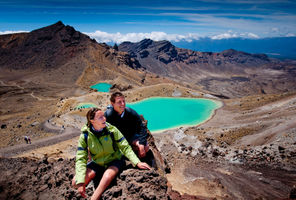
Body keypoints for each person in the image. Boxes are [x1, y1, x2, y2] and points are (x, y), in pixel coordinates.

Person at [72, 107, 151, 200]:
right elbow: (81, 158)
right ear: (92, 121)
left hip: (115, 160)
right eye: (100, 117)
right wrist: (81, 182)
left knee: (107, 176)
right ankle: (91, 183)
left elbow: (125, 147)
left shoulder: (112, 130)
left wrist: (137, 162)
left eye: (103, 116)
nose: (104, 119)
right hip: (98, 162)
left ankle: (94, 197)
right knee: (75, 183)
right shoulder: (85, 136)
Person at [104, 92, 149, 158]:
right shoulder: (108, 115)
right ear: (112, 103)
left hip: (130, 137)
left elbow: (142, 127)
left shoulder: (130, 112)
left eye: (124, 101)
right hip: (117, 140)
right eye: (119, 102)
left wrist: (141, 144)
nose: (123, 104)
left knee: (146, 147)